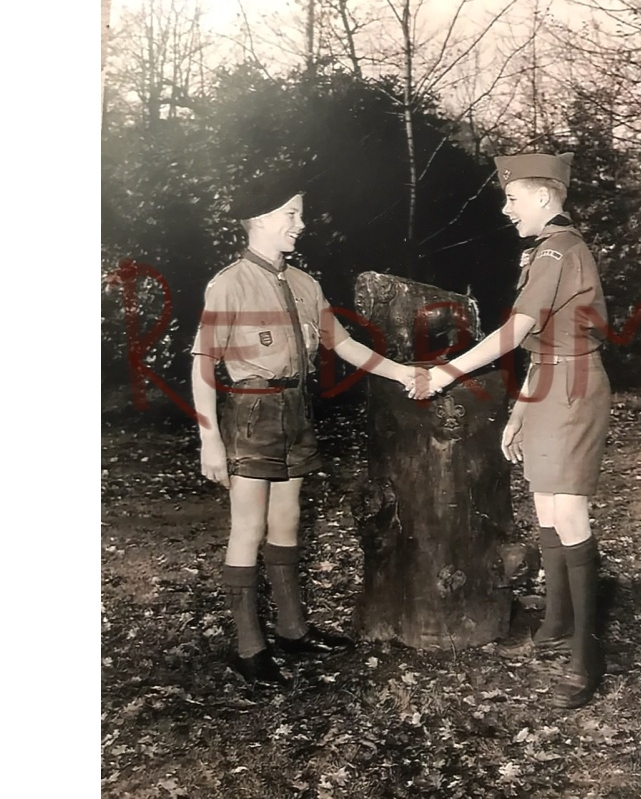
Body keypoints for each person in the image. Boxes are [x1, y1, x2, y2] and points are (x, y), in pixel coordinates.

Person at [191, 171, 417, 685]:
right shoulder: (228, 284)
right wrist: (210, 437)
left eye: (299, 213)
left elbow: (344, 345)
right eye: (291, 214)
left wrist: (402, 372)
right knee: (248, 526)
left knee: (287, 520)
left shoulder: (304, 283)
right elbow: (203, 364)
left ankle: (293, 632)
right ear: (261, 220)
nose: (301, 223)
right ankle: (250, 647)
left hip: (296, 408)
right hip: (250, 411)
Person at [410, 152, 611, 709]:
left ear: (544, 198)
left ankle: (586, 655)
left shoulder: (557, 251)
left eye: (513, 198)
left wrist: (446, 371)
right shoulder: (549, 250)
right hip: (551, 384)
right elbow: (541, 347)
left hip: (573, 390)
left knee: (569, 513)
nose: (505, 208)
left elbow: (514, 331)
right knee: (546, 508)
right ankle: (556, 623)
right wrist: (521, 410)